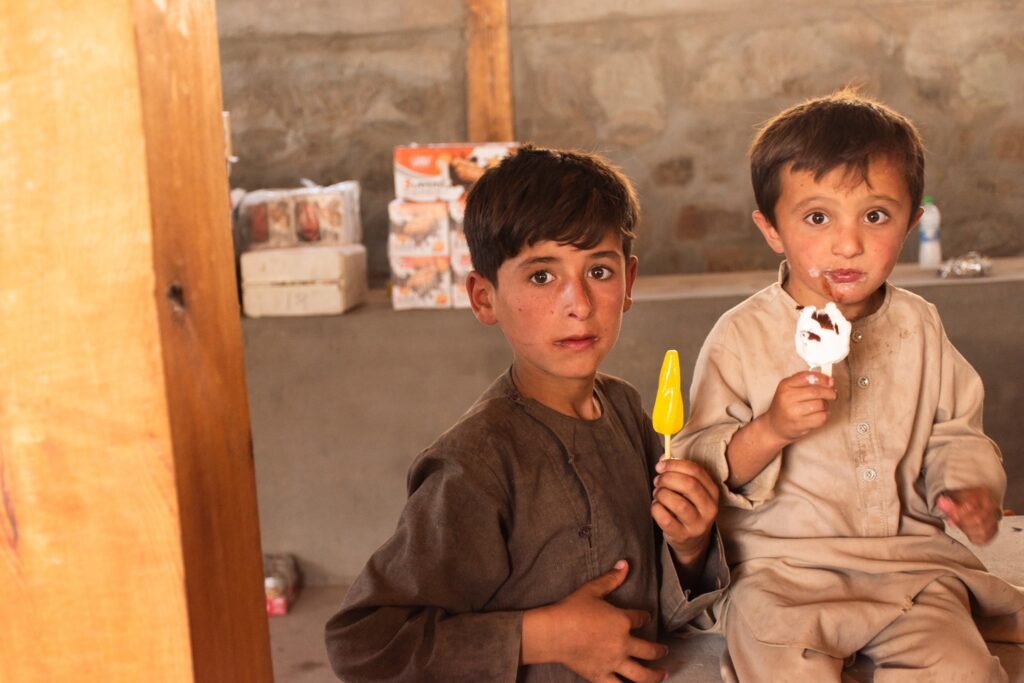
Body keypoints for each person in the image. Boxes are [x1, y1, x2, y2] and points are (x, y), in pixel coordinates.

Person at [325, 146, 728, 682]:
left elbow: (661, 612)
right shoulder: (478, 462)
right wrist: (543, 636)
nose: (579, 303)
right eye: (542, 276)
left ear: (628, 283)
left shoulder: (630, 412)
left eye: (599, 271)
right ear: (484, 297)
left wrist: (689, 546)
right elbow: (365, 646)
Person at [675, 88, 1024, 682]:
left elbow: (955, 431)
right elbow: (701, 457)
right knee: (780, 666)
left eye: (876, 216)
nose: (848, 243)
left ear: (912, 221)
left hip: (907, 565)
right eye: (817, 218)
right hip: (781, 570)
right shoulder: (741, 335)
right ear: (772, 230)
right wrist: (771, 429)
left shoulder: (918, 325)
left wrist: (968, 489)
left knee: (965, 668)